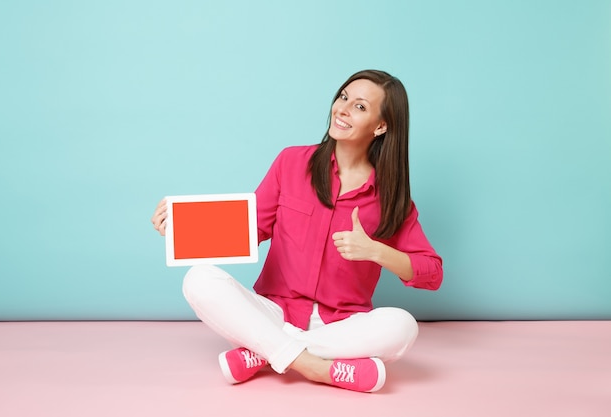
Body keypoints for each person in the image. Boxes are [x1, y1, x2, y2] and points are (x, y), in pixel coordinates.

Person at [151, 69, 443, 393]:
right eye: (343, 97)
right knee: (199, 279)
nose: (342, 109)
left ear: (381, 125)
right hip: (274, 311)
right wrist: (182, 228)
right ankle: (316, 367)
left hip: (342, 325)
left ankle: (265, 353)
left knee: (403, 326)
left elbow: (432, 273)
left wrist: (376, 250)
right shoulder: (291, 162)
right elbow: (249, 230)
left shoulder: (390, 197)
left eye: (360, 106)